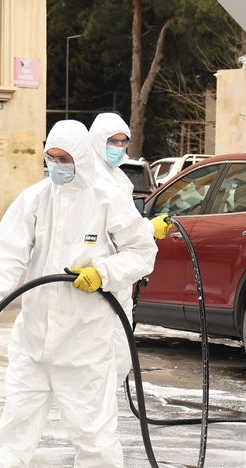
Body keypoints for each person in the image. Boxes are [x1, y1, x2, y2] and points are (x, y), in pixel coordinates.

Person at [0, 120, 157, 468]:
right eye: (52, 158)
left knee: (92, 427)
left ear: (82, 159)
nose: (58, 166)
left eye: (66, 160)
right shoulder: (33, 199)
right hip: (34, 337)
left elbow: (143, 251)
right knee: (16, 417)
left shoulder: (106, 199)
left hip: (85, 339)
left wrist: (103, 271)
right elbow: (7, 254)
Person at [89, 112, 139, 386]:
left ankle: (104, 414)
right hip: (96, 279)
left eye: (123, 142)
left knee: (120, 355)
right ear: (98, 141)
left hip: (119, 278)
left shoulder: (120, 178)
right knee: (96, 359)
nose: (119, 148)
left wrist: (145, 230)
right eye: (113, 142)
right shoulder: (90, 178)